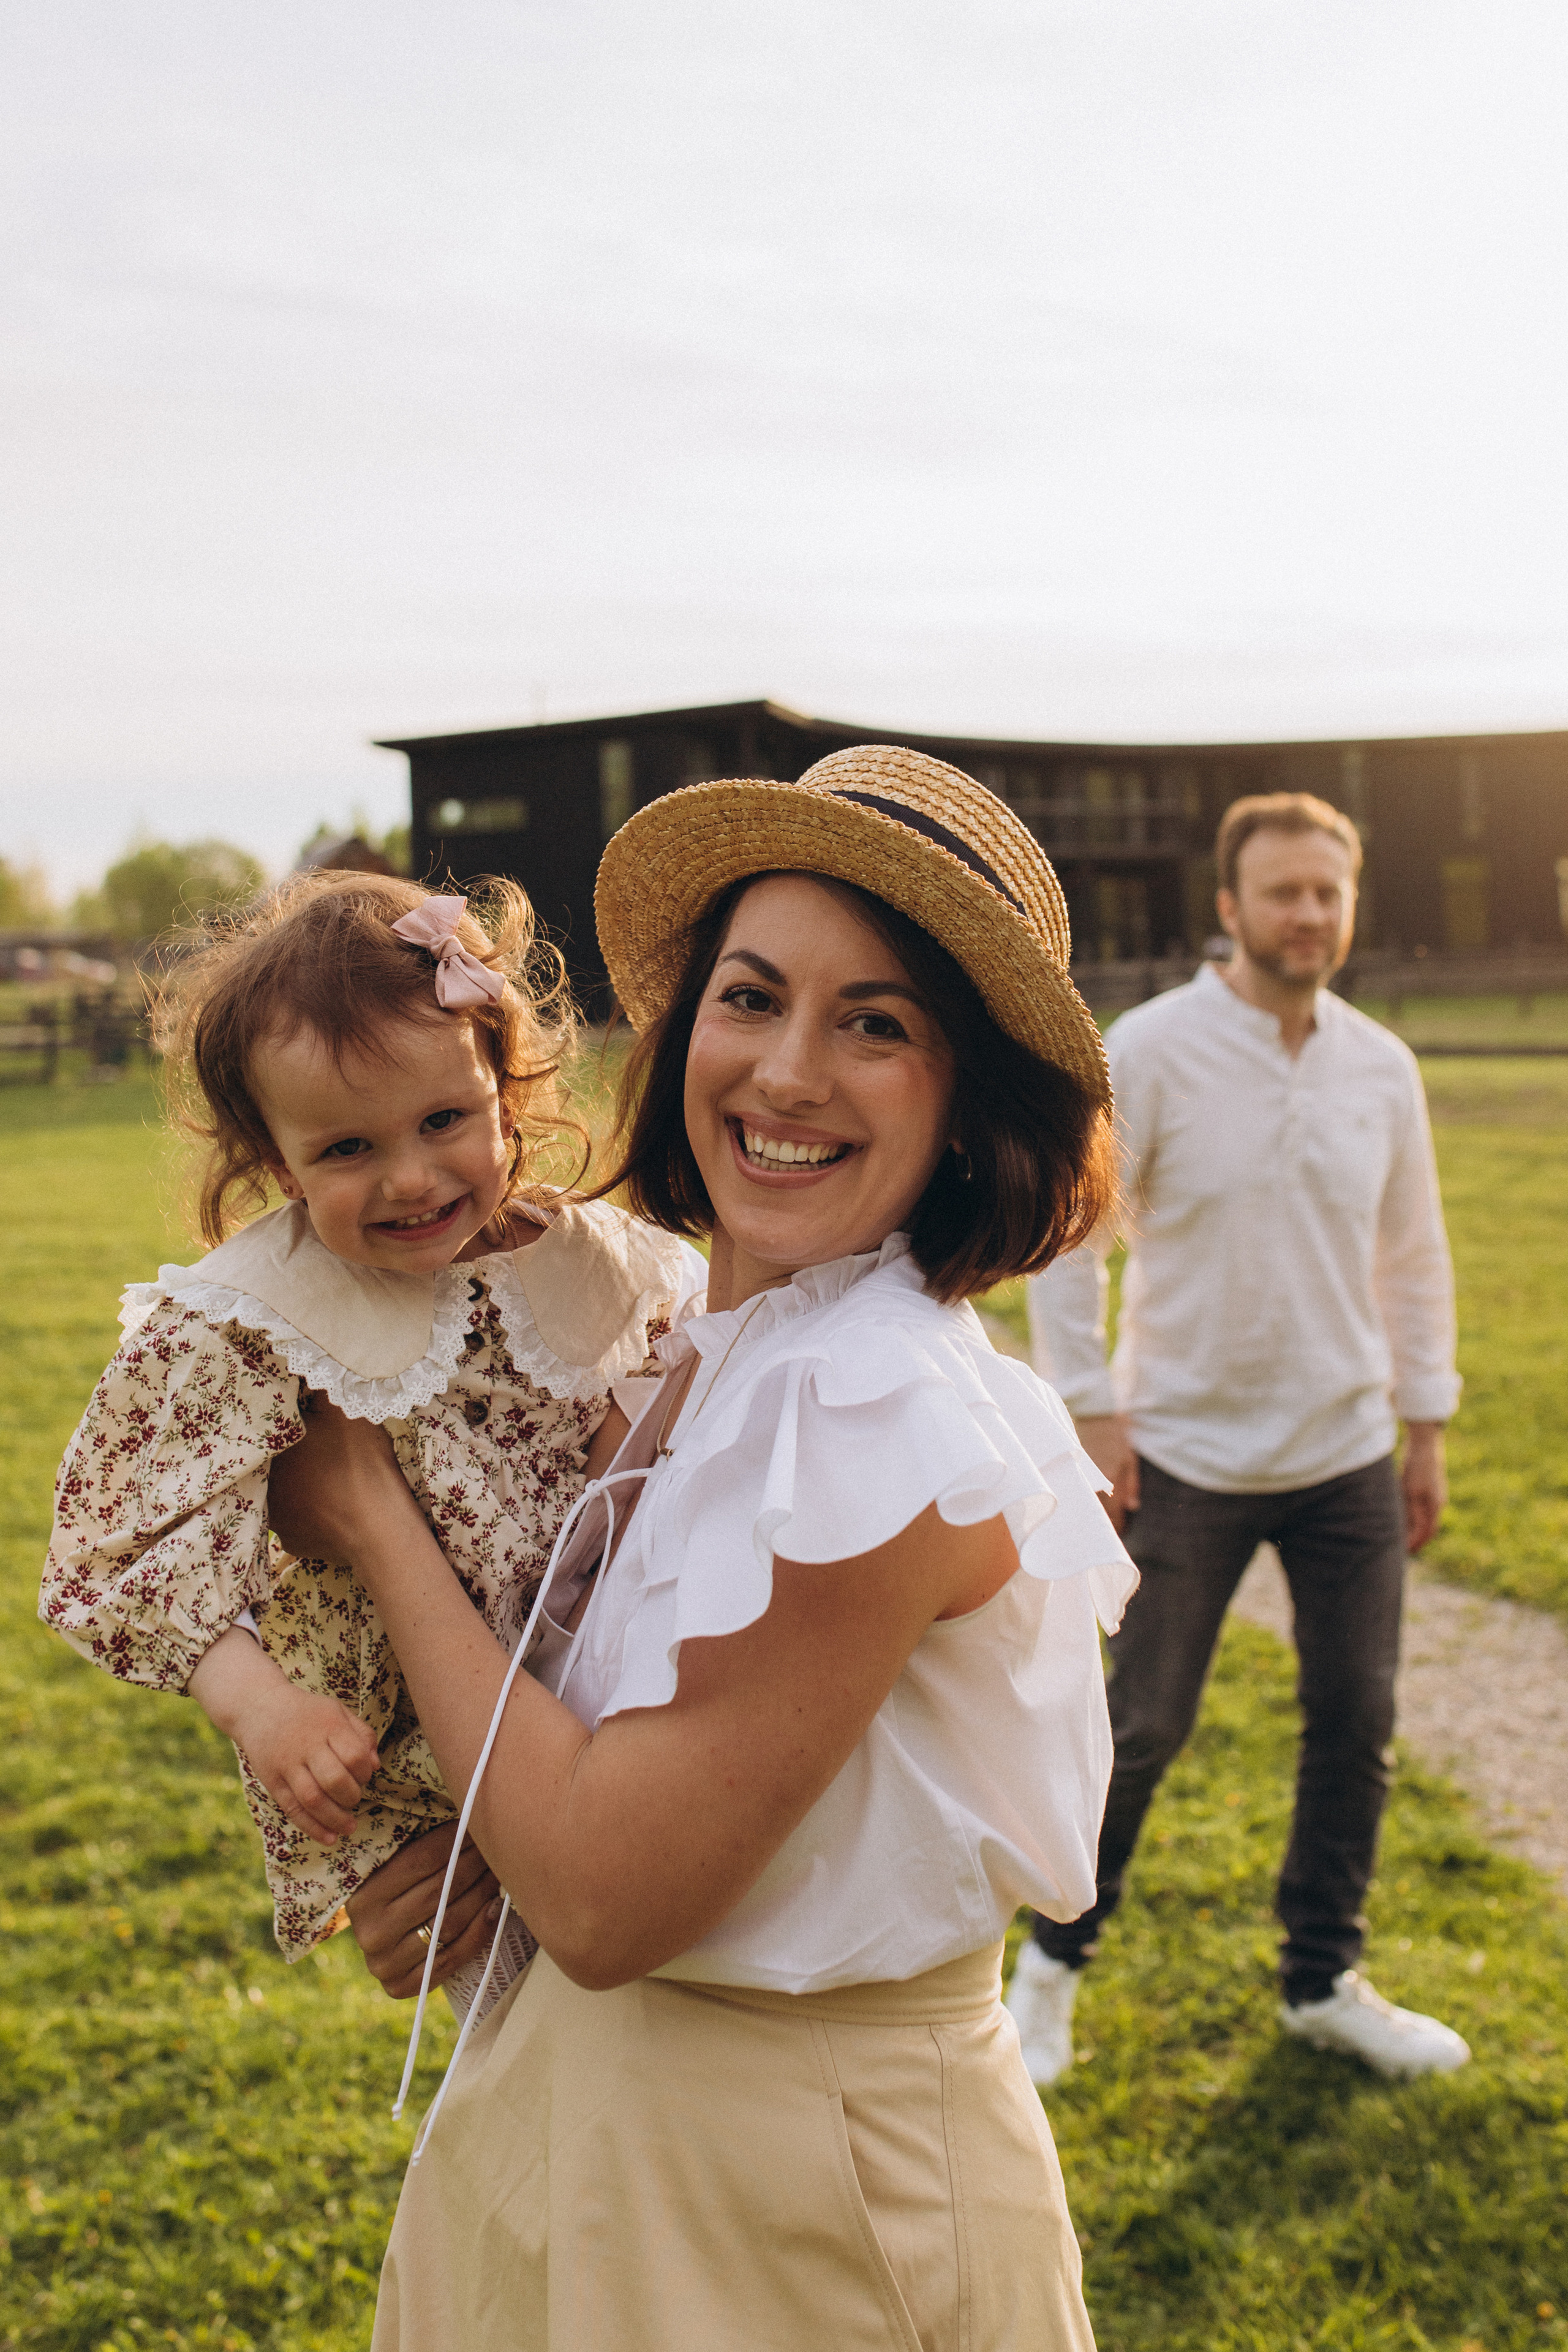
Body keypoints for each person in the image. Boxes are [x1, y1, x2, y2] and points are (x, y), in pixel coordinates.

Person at [268, 744, 1138, 2352]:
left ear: (965, 1106)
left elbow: (609, 1887)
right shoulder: (693, 1349)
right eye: (752, 998)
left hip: (792, 2202)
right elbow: (581, 1833)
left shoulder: (879, 1410)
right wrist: (465, 1890)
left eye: (876, 1024)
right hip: (582, 2123)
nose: (789, 1073)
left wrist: (371, 1518)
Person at [40, 870, 701, 2000]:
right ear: (273, 1158)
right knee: (528, 2035)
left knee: (646, 1995)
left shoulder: (614, 1271)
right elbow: (114, 1544)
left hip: (609, 1723)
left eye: (445, 1119)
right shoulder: (254, 1318)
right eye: (345, 1150)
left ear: (508, 1087)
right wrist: (261, 1705)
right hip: (413, 1784)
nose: (409, 1177)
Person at [1011, 790, 1470, 2085]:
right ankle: (1048, 1972)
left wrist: (1420, 1425)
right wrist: (1091, 1408)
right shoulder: (1148, 1052)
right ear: (1227, 905)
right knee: (1141, 1725)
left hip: (1342, 1455)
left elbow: (1413, 1257)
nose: (1306, 914)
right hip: (1184, 1454)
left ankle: (1321, 1980)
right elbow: (1070, 1244)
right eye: (1281, 891)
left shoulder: (1381, 1067)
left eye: (1327, 891)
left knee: (1355, 1718)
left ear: (1348, 899)